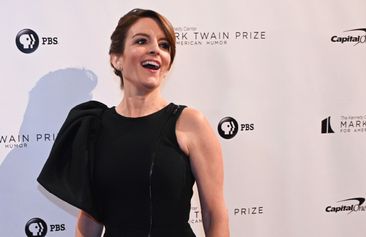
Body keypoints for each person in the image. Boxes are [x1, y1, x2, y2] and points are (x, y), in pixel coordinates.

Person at [38, 8, 229, 237]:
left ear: (168, 64)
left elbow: (213, 215)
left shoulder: (190, 123)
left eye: (164, 45)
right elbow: (89, 221)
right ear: (116, 59)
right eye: (141, 41)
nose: (155, 50)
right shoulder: (93, 127)